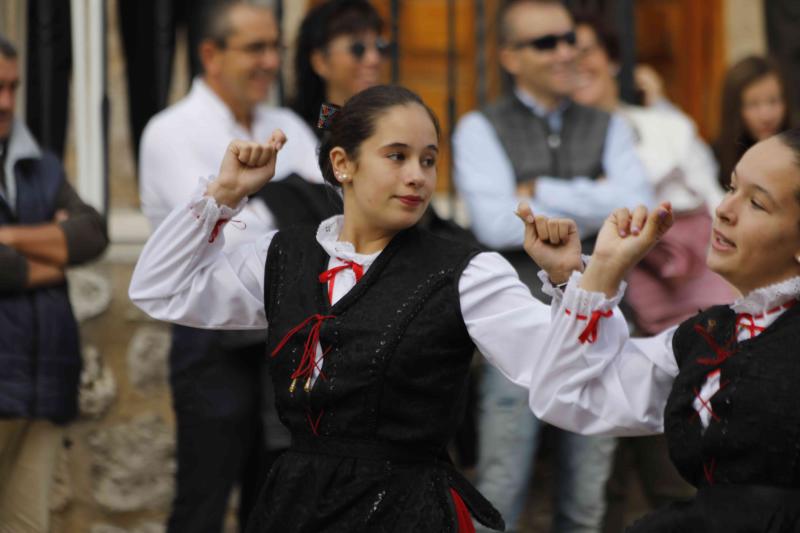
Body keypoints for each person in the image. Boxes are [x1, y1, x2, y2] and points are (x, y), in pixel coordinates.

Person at [128, 84, 587, 532]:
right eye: (397, 156)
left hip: (408, 512)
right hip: (297, 505)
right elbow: (160, 288)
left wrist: (571, 282)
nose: (418, 176)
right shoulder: (284, 257)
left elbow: (561, 368)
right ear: (343, 164)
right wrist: (223, 194)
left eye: (428, 160)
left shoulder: (466, 273)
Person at [522, 127, 800, 530]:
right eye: (731, 187)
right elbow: (568, 398)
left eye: (757, 202)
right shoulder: (708, 336)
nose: (723, 208)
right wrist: (600, 271)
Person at [452, 1, 652, 530]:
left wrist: (537, 189)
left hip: (602, 330)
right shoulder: (479, 127)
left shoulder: (607, 125)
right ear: (510, 58)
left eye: (568, 38)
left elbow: (638, 209)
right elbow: (495, 224)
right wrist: (597, 200)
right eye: (547, 43)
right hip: (519, 331)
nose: (567, 51)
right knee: (500, 487)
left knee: (585, 502)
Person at [137, 3, 322, 532]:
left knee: (278, 503)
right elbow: (219, 235)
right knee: (203, 500)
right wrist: (283, 205)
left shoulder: (286, 124)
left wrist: (264, 206)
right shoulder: (170, 130)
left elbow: (331, 216)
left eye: (275, 48)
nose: (270, 61)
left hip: (285, 336)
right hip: (210, 339)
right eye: (255, 48)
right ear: (211, 55)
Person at [570, 15, 733, 529]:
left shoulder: (663, 126)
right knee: (603, 475)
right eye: (563, 54)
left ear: (614, 61)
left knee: (675, 454)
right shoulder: (554, 136)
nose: (576, 63)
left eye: (588, 50)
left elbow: (712, 198)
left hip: (686, 291)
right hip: (609, 306)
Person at [0, 35, 108, 532]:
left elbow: (91, 233)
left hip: (43, 382)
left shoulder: (39, 165)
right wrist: (51, 253)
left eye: (13, 87)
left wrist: (8, 236)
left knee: (27, 524)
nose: (6, 102)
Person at [716, 56, 793, 188]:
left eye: (773, 101)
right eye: (753, 104)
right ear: (735, 109)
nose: (766, 116)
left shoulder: (795, 148)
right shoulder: (716, 158)